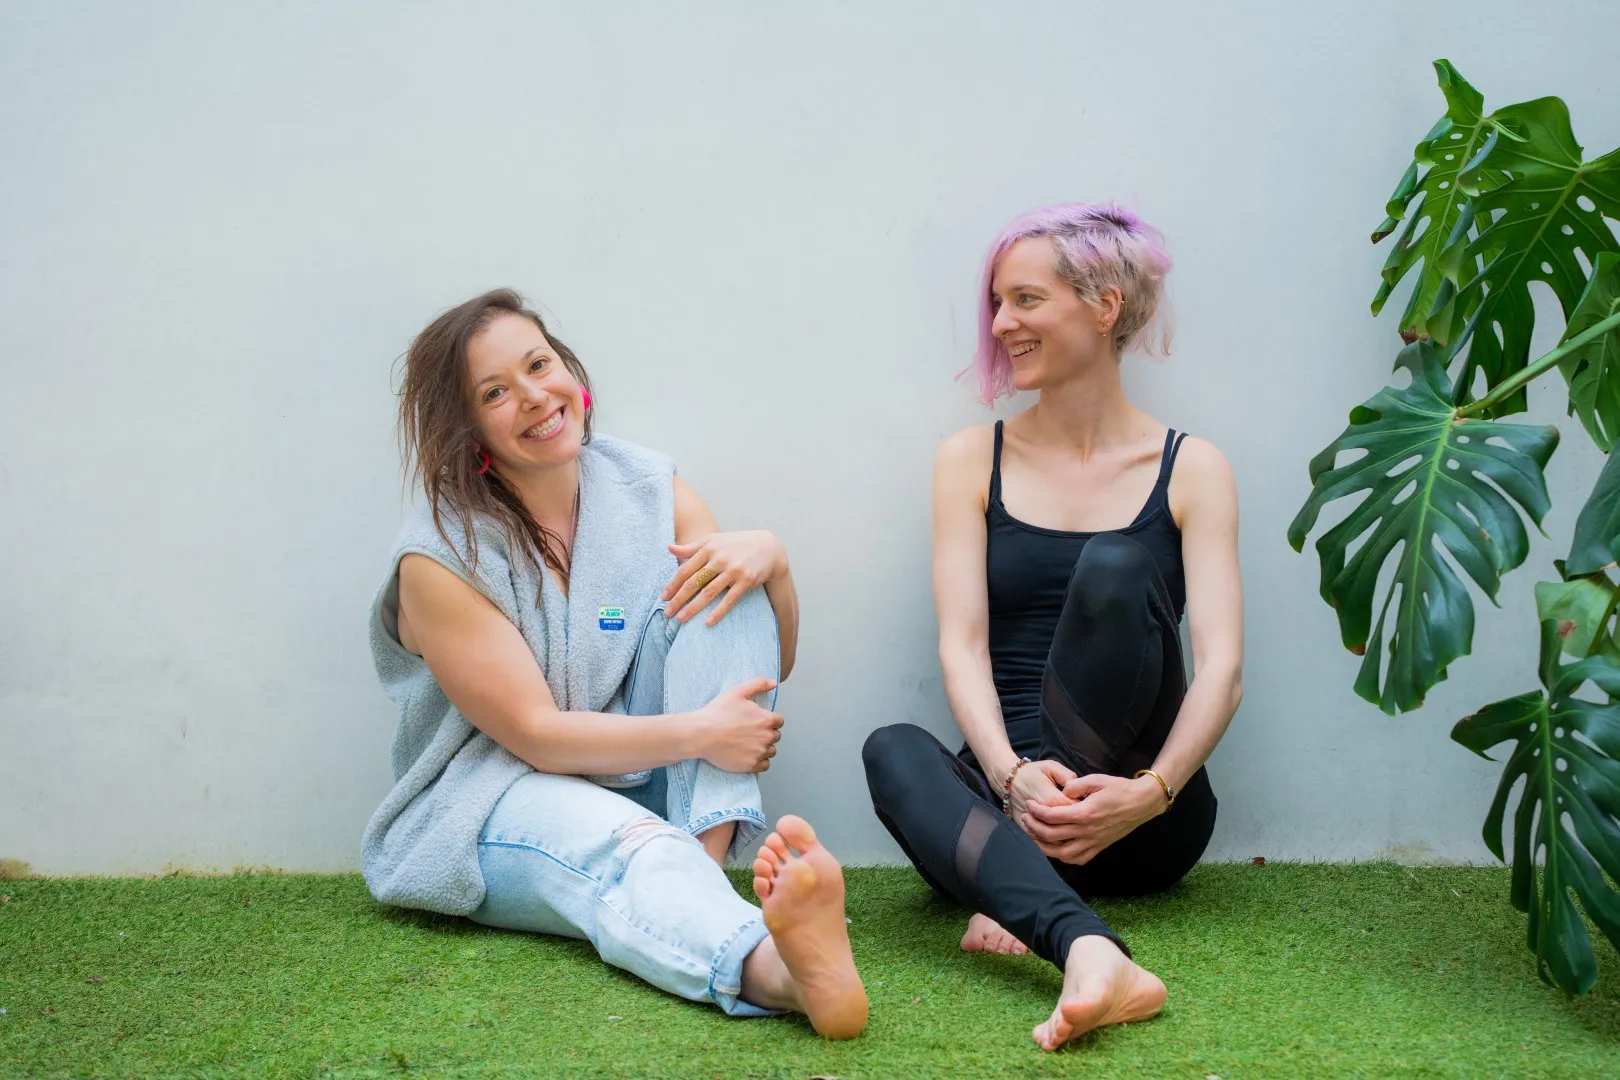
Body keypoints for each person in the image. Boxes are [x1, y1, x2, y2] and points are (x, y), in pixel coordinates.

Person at [362, 289, 867, 1037]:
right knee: (630, 846)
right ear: (466, 430)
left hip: (643, 777)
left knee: (730, 586)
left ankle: (698, 875)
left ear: (568, 367)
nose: (534, 396)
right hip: (490, 796)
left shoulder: (647, 485)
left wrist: (776, 566)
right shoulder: (440, 557)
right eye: (495, 393)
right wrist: (700, 733)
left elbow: (761, 657)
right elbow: (535, 735)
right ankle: (781, 971)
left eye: (540, 365)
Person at [862, 204, 1244, 1051]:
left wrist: (1152, 792)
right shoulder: (971, 459)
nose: (1002, 324)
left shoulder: (1193, 468)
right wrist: (1008, 780)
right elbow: (962, 645)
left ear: (1104, 306)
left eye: (1026, 300)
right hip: (1008, 805)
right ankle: (1084, 945)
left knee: (1113, 566)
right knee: (891, 749)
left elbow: (1221, 669)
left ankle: (1022, 891)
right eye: (998, 303)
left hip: (1141, 818)